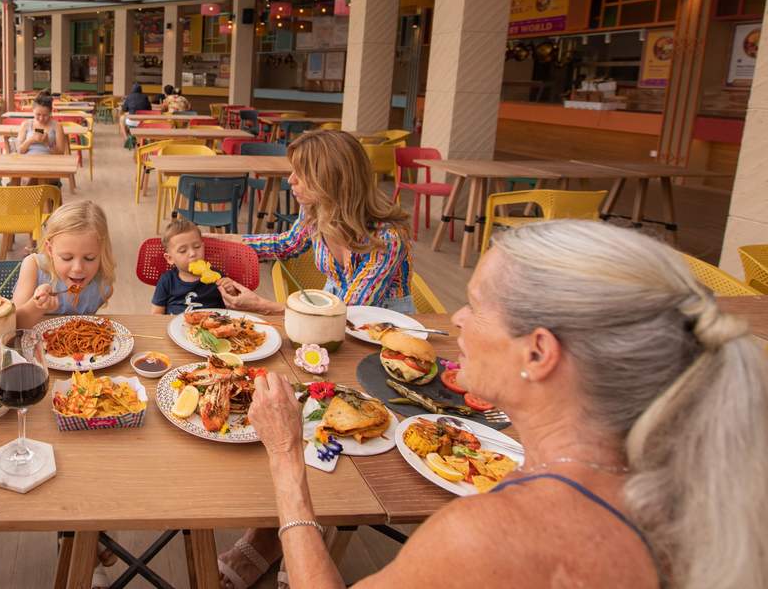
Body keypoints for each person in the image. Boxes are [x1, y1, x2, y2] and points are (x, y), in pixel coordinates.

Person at [247, 220, 768, 589]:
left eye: (475, 304)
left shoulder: (489, 537)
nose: (455, 318)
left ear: (538, 352)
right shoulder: (698, 486)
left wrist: (286, 460)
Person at [216, 129, 412, 316]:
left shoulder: (387, 237)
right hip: (326, 309)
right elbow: (285, 244)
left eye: (301, 174)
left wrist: (263, 305)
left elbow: (348, 313)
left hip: (385, 327)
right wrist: (219, 242)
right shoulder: (315, 209)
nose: (291, 180)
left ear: (331, 179)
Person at [10, 200, 115, 329]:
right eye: (67, 258)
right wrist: (36, 307)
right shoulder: (33, 266)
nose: (78, 268)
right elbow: (12, 325)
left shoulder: (102, 286)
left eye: (89, 258)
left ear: (101, 253)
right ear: (50, 250)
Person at [149, 218, 225, 315]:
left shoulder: (218, 277)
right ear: (170, 258)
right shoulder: (167, 280)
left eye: (197, 247)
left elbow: (231, 308)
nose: (193, 253)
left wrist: (231, 291)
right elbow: (156, 314)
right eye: (183, 251)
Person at [14, 92, 68, 158]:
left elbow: (60, 153)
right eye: (38, 114)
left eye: (45, 115)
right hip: (28, 161)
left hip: (50, 162)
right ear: (32, 110)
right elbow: (19, 151)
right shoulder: (26, 124)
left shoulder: (57, 126)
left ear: (50, 112)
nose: (41, 118)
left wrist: (48, 143)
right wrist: (31, 140)